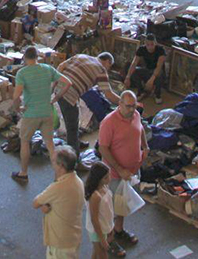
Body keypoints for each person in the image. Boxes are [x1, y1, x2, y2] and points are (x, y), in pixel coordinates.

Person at [98, 90, 147, 252]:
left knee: (122, 204)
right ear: (119, 104)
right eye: (128, 107)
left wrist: (145, 146)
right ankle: (108, 240)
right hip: (114, 175)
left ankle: (119, 230)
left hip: (131, 172)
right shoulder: (109, 122)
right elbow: (103, 148)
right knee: (110, 209)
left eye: (134, 106)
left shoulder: (135, 115)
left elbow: (141, 129)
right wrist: (119, 169)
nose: (132, 110)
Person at [12, 46, 64, 183]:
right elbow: (68, 82)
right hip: (47, 112)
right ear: (37, 57)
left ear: (24, 57)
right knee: (50, 144)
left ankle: (23, 173)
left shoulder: (22, 73)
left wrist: (17, 108)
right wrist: (56, 97)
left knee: (24, 142)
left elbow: (16, 96)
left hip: (31, 114)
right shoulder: (48, 69)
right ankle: (58, 177)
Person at [52, 53, 120, 155]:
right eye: (109, 66)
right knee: (72, 127)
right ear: (107, 62)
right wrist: (126, 102)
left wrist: (55, 85)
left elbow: (61, 66)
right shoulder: (101, 70)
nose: (108, 69)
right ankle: (74, 159)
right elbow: (109, 94)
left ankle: (75, 142)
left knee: (72, 119)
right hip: (68, 95)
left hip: (59, 90)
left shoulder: (81, 56)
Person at [33, 146, 85, 259]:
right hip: (73, 237)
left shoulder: (58, 187)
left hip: (60, 242)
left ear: (61, 166)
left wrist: (45, 206)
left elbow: (36, 202)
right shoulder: (78, 181)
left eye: (53, 161)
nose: (52, 164)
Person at [84, 162, 121, 259]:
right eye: (106, 177)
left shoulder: (105, 187)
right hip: (97, 231)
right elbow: (94, 220)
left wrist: (111, 226)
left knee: (97, 253)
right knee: (102, 254)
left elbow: (108, 210)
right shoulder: (95, 196)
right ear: (99, 180)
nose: (110, 177)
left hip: (105, 226)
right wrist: (102, 239)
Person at [124, 34, 166, 104]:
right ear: (145, 44)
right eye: (147, 45)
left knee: (160, 73)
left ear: (155, 43)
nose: (150, 47)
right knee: (133, 71)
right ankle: (141, 91)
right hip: (147, 71)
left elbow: (159, 67)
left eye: (152, 44)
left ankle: (157, 94)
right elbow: (134, 63)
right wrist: (128, 77)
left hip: (157, 72)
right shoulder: (141, 49)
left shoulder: (160, 50)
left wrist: (151, 81)